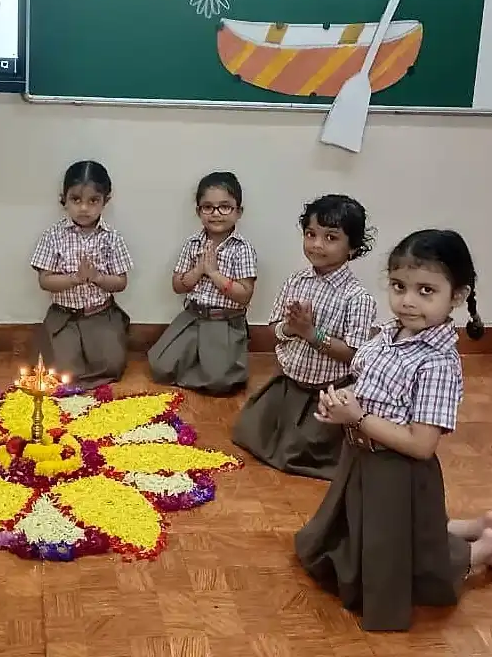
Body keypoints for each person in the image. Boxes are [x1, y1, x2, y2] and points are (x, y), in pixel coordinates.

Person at [295, 228, 492, 632]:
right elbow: (365, 382)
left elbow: (421, 445)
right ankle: (481, 524)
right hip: (361, 462)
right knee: (375, 533)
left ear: (457, 296)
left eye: (426, 291)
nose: (407, 301)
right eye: (398, 286)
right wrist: (338, 403)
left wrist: (356, 418)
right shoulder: (388, 335)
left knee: (417, 563)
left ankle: (485, 548)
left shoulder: (438, 363)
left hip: (398, 471)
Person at [231, 194, 377, 480]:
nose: (317, 244)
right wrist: (290, 329)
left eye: (331, 238)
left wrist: (311, 334)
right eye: (311, 234)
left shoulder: (357, 298)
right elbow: (273, 329)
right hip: (287, 384)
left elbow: (353, 353)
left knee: (301, 453)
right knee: (247, 431)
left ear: (353, 248)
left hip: (327, 392)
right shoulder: (296, 281)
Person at [148, 171, 257, 395]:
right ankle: (202, 365)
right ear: (198, 211)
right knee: (159, 366)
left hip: (224, 323)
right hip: (192, 317)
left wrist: (214, 273)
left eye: (225, 207)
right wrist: (198, 270)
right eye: (208, 207)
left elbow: (244, 294)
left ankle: (220, 368)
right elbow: (178, 285)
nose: (216, 213)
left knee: (220, 383)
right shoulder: (193, 243)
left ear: (239, 212)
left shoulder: (243, 249)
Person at [30, 160, 133, 388]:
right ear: (64, 199)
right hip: (64, 316)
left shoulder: (112, 238)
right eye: (76, 200)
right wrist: (75, 279)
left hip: (100, 314)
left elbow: (121, 282)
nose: (84, 208)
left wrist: (97, 278)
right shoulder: (53, 236)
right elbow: (45, 280)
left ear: (106, 200)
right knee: (64, 372)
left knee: (112, 365)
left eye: (93, 201)